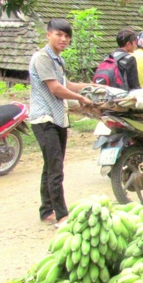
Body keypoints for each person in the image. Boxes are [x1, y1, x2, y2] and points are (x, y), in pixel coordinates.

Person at [29, 19, 96, 225]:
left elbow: (66, 84)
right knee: (55, 168)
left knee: (50, 166)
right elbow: (55, 88)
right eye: (59, 34)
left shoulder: (57, 60)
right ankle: (61, 215)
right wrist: (81, 98)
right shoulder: (42, 58)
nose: (64, 39)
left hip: (58, 119)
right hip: (44, 119)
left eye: (67, 36)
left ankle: (46, 210)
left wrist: (89, 87)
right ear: (49, 35)